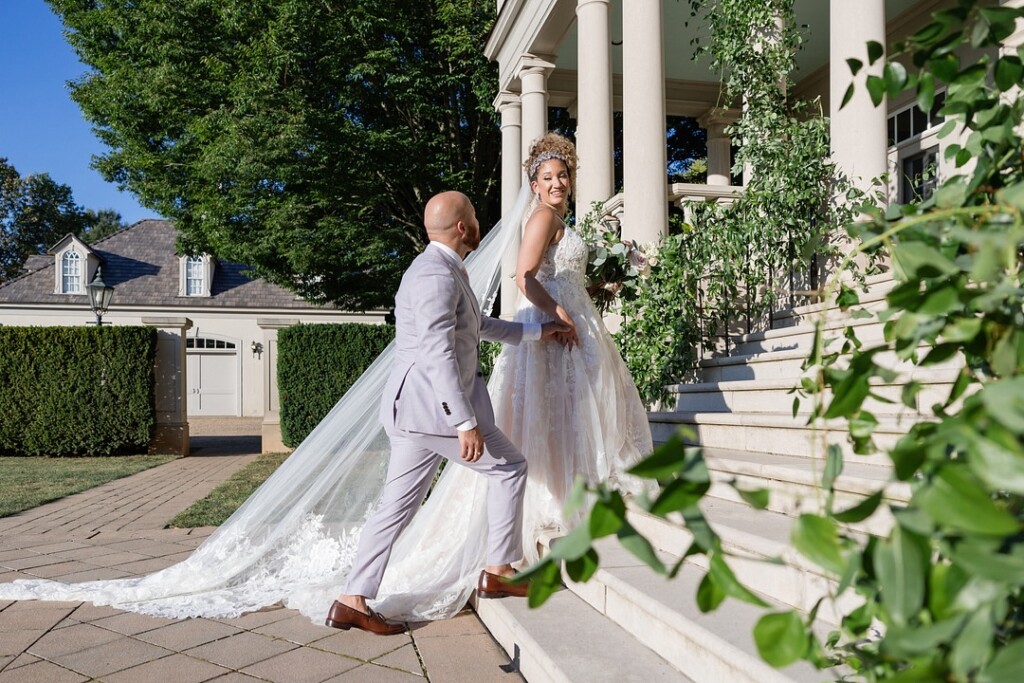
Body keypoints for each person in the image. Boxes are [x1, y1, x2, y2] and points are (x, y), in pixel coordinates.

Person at [324, 191, 567, 635]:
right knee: (510, 467)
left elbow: (477, 328)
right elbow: (437, 353)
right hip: (432, 411)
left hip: (411, 409)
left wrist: (536, 332)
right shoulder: (437, 275)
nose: (479, 221)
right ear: (462, 228)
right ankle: (499, 569)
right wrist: (464, 422)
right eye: (474, 215)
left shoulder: (440, 269)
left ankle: (351, 599)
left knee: (395, 507)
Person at [489, 132, 653, 561]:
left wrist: (600, 286)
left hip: (571, 317)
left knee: (572, 408)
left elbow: (558, 275)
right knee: (562, 409)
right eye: (548, 176)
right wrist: (558, 314)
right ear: (535, 184)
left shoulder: (558, 220)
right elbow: (524, 276)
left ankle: (575, 490)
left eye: (563, 175)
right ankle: (562, 500)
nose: (558, 182)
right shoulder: (543, 216)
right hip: (553, 325)